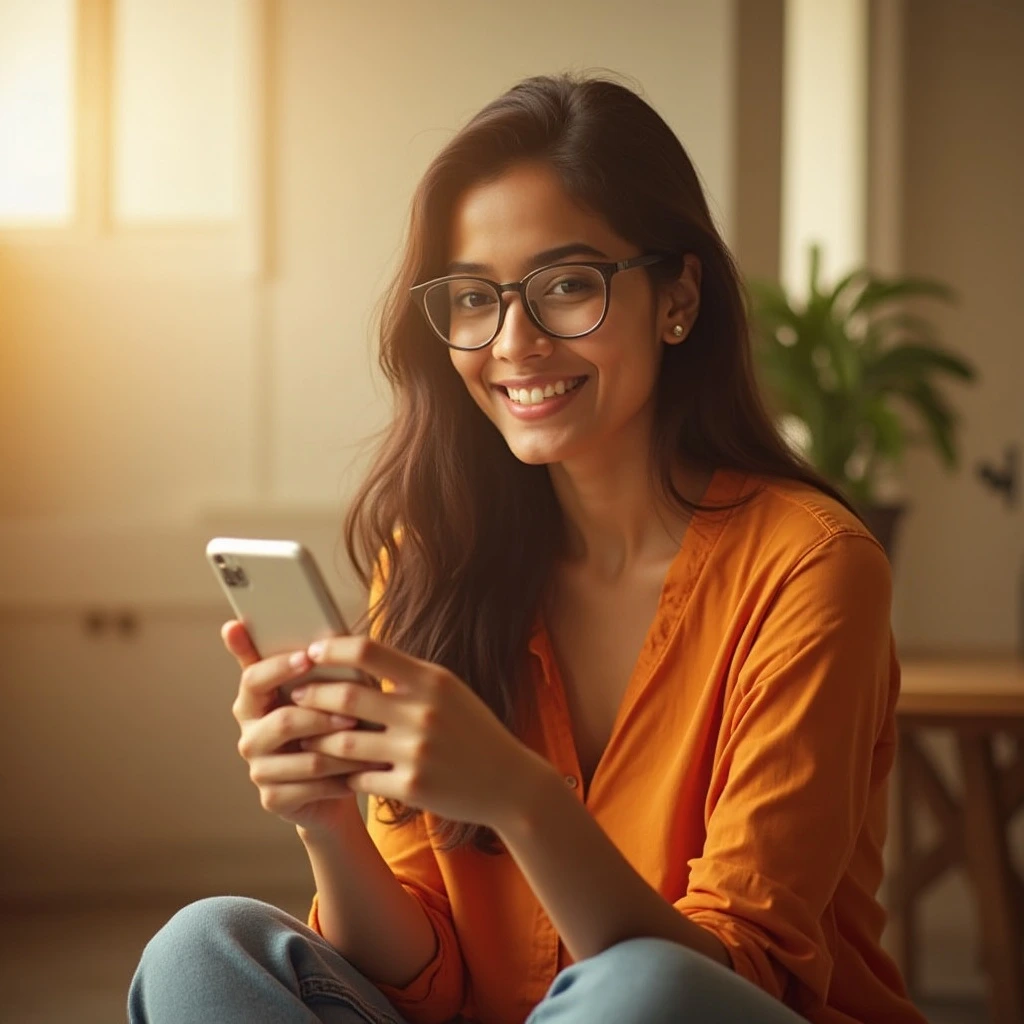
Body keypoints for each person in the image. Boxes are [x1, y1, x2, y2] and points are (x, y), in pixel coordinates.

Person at [129, 71, 927, 1024]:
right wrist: (329, 822)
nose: (513, 341)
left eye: (567, 286)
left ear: (678, 297)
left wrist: (520, 796)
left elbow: (728, 982)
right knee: (202, 951)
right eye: (474, 297)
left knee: (645, 988)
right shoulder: (435, 559)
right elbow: (424, 976)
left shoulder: (813, 569)